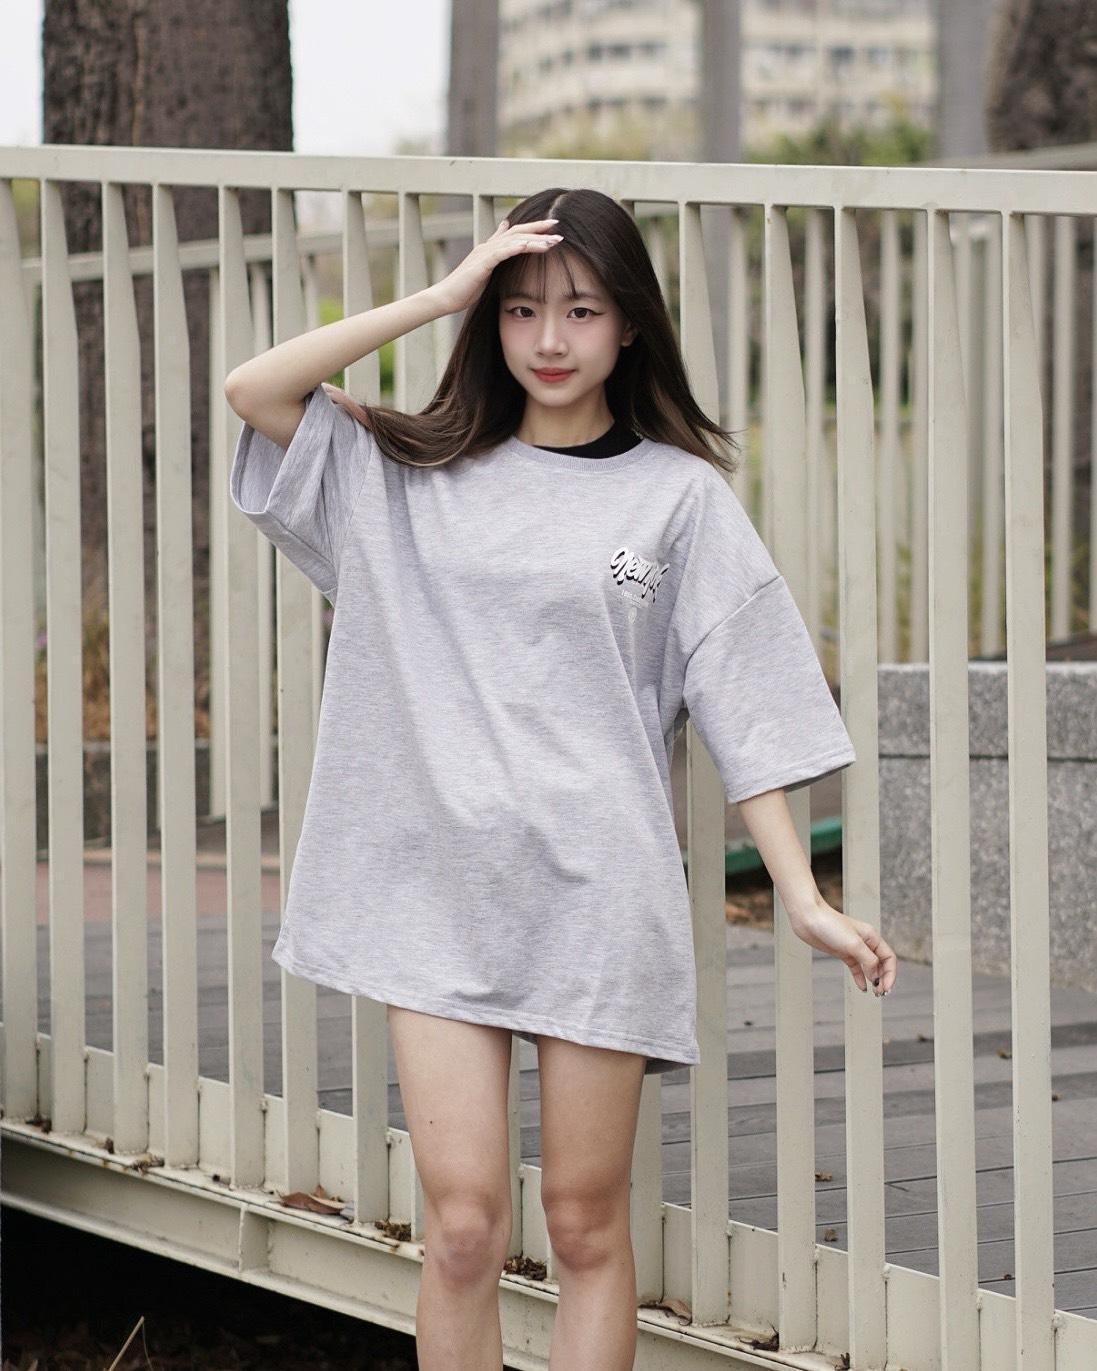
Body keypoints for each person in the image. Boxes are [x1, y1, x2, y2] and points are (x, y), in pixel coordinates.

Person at [224, 186, 897, 1371]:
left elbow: (747, 700)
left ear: (629, 325)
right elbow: (254, 390)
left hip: (597, 896)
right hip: (434, 889)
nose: (548, 339)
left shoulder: (677, 499)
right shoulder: (403, 472)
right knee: (461, 1229)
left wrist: (801, 895)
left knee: (584, 1227)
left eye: (581, 310)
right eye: (520, 308)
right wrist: (440, 293)